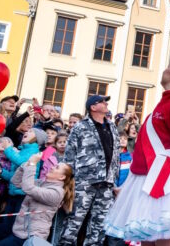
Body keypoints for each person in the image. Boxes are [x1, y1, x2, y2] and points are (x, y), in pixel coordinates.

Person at [105, 56, 170, 245]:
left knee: (164, 241)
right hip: (147, 178)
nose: (163, 70)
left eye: (167, 66)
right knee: (146, 239)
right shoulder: (166, 103)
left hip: (166, 180)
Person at [59, 94, 119, 246]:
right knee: (73, 223)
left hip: (107, 183)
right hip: (84, 182)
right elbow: (69, 156)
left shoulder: (112, 126)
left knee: (99, 227)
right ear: (93, 107)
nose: (106, 103)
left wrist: (114, 181)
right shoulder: (80, 127)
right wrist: (68, 184)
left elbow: (115, 154)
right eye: (102, 101)